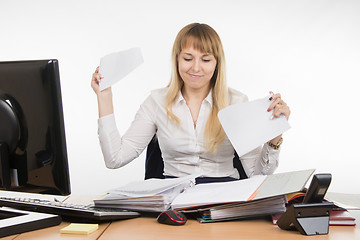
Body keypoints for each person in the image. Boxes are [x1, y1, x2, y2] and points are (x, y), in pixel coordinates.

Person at [91, 23, 290, 183]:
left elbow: (258, 176)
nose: (196, 68)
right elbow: (114, 159)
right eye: (188, 58)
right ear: (177, 59)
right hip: (174, 199)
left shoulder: (236, 102)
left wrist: (274, 136)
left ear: (216, 63)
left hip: (224, 199)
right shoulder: (156, 102)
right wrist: (104, 96)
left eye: (205, 60)